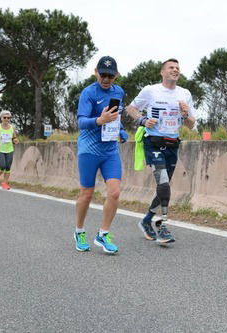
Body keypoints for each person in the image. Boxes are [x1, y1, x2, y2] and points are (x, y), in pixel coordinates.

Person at [127, 58, 196, 243]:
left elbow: (190, 124)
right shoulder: (151, 90)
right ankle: (163, 226)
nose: (175, 70)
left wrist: (186, 113)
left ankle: (146, 220)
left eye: (177, 68)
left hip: (173, 144)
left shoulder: (185, 94)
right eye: (171, 67)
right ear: (162, 72)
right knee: (164, 184)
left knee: (163, 188)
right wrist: (142, 120)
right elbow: (131, 108)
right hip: (154, 143)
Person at [74, 55, 127, 254]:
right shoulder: (88, 93)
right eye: (102, 74)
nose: (106, 79)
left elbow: (116, 116)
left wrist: (120, 131)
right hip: (89, 149)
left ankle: (103, 234)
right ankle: (79, 231)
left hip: (110, 149)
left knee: (114, 192)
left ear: (116, 76)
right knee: (87, 194)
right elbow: (81, 122)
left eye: (110, 76)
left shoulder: (119, 91)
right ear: (95, 72)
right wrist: (100, 120)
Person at [0, 111, 19, 190]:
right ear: (1, 118)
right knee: (2, 166)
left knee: (8, 167)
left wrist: (15, 140)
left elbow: (14, 137)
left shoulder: (12, 128)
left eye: (8, 118)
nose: (6, 119)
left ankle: (5, 183)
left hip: (10, 150)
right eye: (4, 117)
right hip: (0, 150)